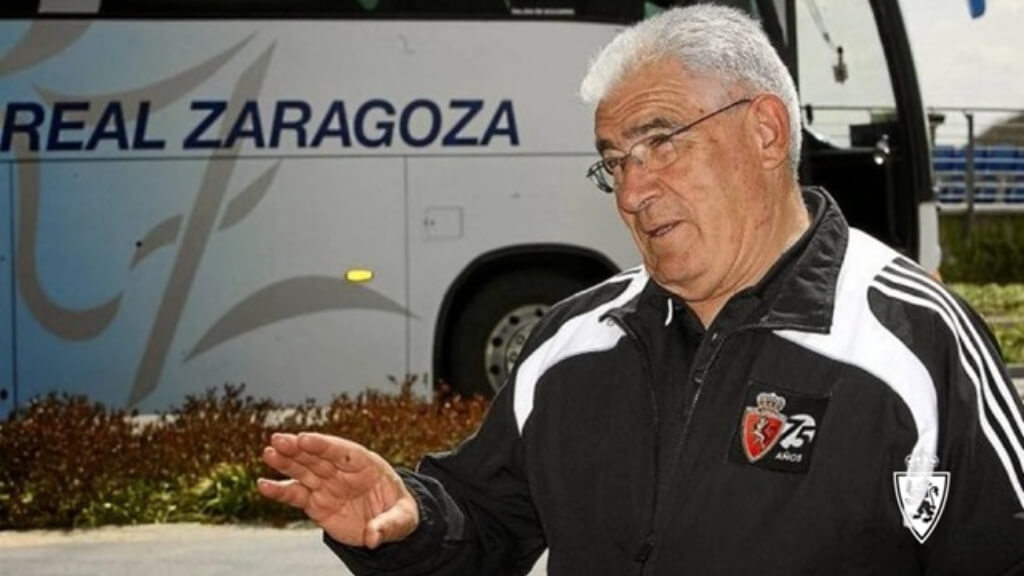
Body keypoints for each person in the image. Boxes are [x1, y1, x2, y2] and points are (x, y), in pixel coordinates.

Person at [258, 5, 1024, 574]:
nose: (631, 192)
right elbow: (485, 524)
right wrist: (411, 520)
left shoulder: (917, 342)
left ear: (765, 131)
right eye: (614, 162)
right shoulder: (572, 341)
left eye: (660, 143)